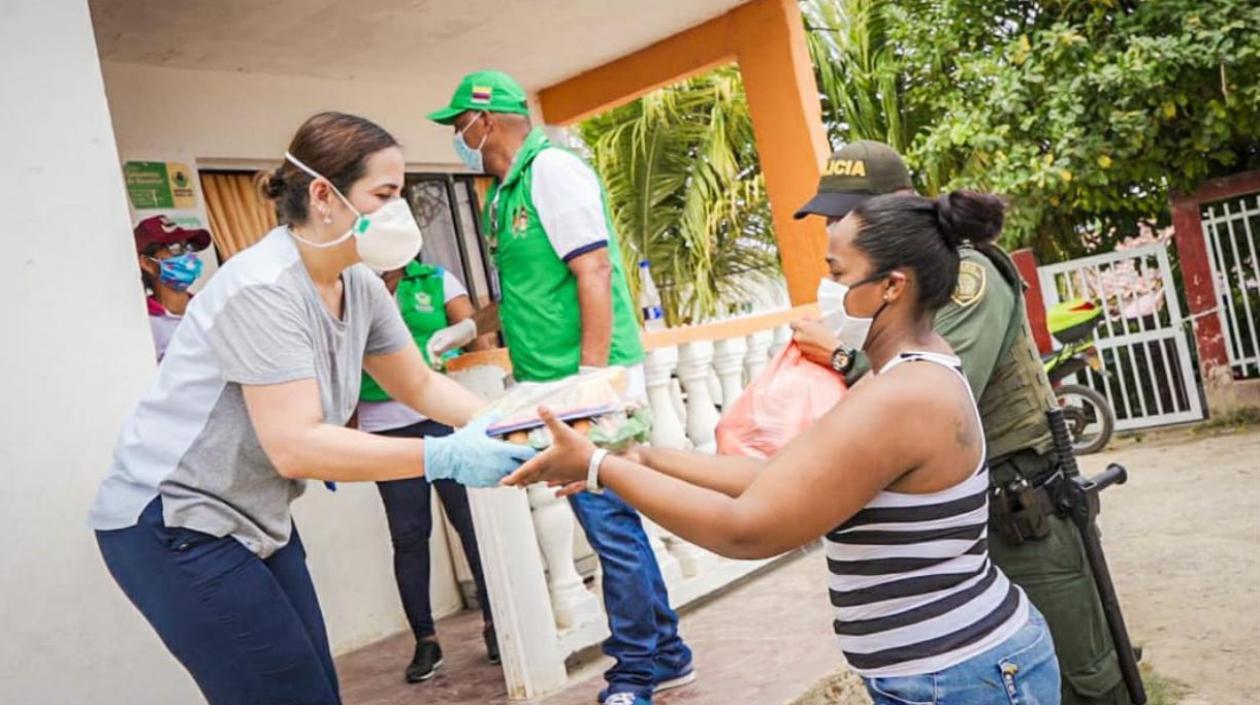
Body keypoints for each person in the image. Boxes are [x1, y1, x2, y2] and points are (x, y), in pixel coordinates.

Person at [504, 190, 1063, 705]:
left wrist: (601, 467)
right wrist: (644, 459)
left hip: (961, 674)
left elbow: (748, 529)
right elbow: (782, 472)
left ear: (893, 285)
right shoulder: (902, 372)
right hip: (944, 669)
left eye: (837, 273)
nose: (824, 293)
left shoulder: (905, 395)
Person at [88, 112, 534, 705]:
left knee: (317, 688)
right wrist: (446, 455)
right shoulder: (264, 288)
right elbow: (295, 445)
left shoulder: (362, 285)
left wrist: (512, 424)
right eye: (384, 195)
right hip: (172, 521)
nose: (398, 212)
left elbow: (421, 388)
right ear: (324, 195)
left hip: (256, 514)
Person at [791, 142, 1132, 705]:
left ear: (899, 207)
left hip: (1019, 514)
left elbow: (931, 403)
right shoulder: (883, 291)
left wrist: (841, 357)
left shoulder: (964, 275)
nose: (837, 227)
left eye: (847, 213)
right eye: (831, 217)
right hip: (960, 526)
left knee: (1079, 681)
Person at [426, 70, 694, 705]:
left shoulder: (551, 171)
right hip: (553, 383)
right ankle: (666, 652)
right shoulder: (503, 194)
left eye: (457, 125)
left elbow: (593, 268)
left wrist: (590, 380)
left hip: (586, 384)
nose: (456, 138)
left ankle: (636, 672)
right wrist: (468, 329)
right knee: (613, 523)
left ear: (484, 122)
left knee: (607, 525)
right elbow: (530, 289)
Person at [357, 261, 499, 682]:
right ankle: (426, 641)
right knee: (408, 534)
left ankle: (495, 622)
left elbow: (479, 334)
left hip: (442, 419)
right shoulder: (353, 284)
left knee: (469, 523)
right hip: (384, 428)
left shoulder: (436, 280)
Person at [133, 215, 212, 360]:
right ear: (148, 263)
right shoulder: (143, 325)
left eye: (189, 246)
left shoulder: (210, 310)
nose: (188, 256)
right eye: (176, 248)